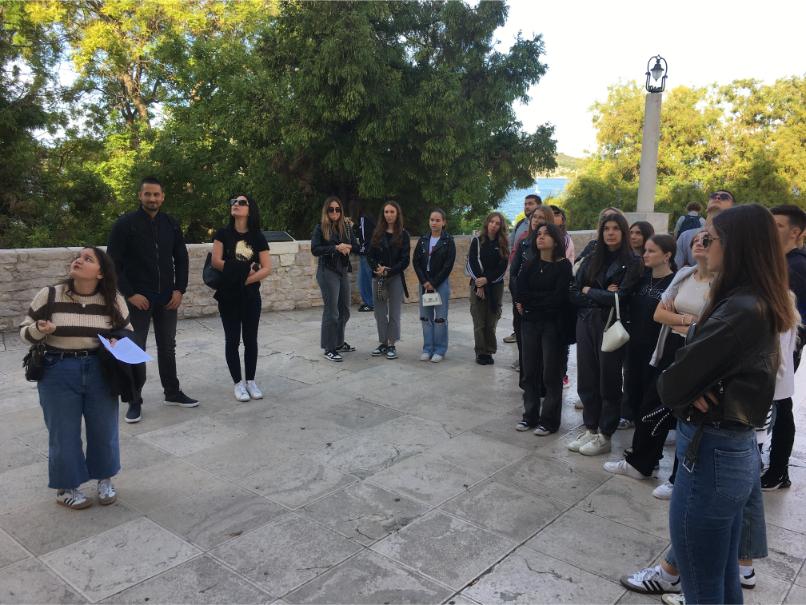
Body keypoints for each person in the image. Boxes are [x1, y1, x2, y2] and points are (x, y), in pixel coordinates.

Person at [657, 204, 796, 604]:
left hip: (711, 452)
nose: (703, 243)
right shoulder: (753, 300)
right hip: (728, 449)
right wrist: (692, 381)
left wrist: (687, 383)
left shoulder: (740, 310)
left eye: (711, 238)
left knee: (703, 586)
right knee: (719, 579)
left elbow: (670, 383)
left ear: (735, 246)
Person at [19, 247, 132, 509]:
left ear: (101, 273)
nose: (79, 260)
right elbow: (24, 333)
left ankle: (105, 480)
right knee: (63, 433)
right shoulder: (50, 294)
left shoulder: (113, 299)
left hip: (100, 370)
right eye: (78, 257)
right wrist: (38, 329)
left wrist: (117, 341)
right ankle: (66, 487)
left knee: (104, 429)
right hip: (57, 370)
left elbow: (127, 331)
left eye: (87, 259)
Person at [608, 231, 712, 494]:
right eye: (696, 240)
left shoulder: (723, 283)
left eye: (707, 240)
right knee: (652, 406)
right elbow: (659, 313)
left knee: (684, 414)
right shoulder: (685, 274)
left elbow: (712, 325)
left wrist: (680, 320)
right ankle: (641, 463)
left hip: (698, 352)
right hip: (669, 347)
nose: (699, 243)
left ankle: (679, 480)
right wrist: (688, 321)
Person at [107, 176, 197, 423]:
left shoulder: (171, 224)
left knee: (168, 347)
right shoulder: (125, 224)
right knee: (135, 349)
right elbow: (113, 263)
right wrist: (130, 293)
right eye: (147, 194)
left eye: (156, 194)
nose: (152, 198)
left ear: (163, 197)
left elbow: (181, 258)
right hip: (138, 299)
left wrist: (179, 290)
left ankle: (172, 392)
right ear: (140, 196)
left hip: (167, 298)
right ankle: (134, 400)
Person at [568, 213, 642, 455]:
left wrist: (590, 290)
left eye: (615, 228)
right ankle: (590, 427)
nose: (610, 233)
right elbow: (573, 291)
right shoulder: (592, 256)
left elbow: (621, 297)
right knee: (587, 377)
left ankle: (605, 433)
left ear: (623, 232)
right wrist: (602, 294)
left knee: (608, 379)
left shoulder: (632, 261)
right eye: (606, 228)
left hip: (610, 324)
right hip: (586, 322)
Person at [211, 195, 272, 399]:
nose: (236, 204)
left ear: (250, 209)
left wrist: (243, 280)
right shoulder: (222, 234)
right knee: (232, 340)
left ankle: (251, 381)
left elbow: (266, 268)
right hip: (228, 296)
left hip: (250, 296)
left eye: (241, 202)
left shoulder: (258, 237)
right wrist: (246, 268)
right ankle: (238, 383)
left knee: (250, 340)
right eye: (234, 202)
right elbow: (216, 262)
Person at [514, 223, 573, 435]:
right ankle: (529, 416)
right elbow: (520, 292)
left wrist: (531, 302)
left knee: (551, 374)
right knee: (529, 372)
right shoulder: (529, 264)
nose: (540, 237)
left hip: (552, 325)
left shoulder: (563, 266)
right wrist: (535, 301)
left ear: (556, 241)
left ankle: (549, 421)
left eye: (546, 234)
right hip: (530, 323)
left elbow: (558, 299)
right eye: (538, 234)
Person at [763, 204, 806, 489]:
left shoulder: (796, 266)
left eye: (777, 225)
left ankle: (779, 470)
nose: (771, 230)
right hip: (774, 347)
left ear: (796, 232)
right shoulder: (780, 261)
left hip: (784, 349)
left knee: (780, 404)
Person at [617, 235, 676, 428]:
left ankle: (648, 420)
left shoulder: (675, 282)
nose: (645, 255)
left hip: (658, 344)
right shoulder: (641, 278)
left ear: (667, 255)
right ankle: (628, 414)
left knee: (652, 385)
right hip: (634, 340)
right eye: (645, 250)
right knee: (631, 378)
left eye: (651, 251)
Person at [312, 196, 359, 362]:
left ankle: (338, 343)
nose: (334, 212)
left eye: (337, 209)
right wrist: (335, 248)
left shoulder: (346, 227)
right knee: (331, 311)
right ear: (326, 211)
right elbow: (315, 249)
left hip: (342, 271)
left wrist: (348, 246)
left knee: (344, 310)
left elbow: (357, 247)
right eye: (331, 209)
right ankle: (329, 348)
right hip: (327, 271)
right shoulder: (320, 228)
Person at [510, 207, 555, 373]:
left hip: (543, 305)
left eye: (541, 217)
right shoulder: (524, 242)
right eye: (534, 217)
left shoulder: (555, 244)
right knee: (524, 342)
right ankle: (526, 375)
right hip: (521, 302)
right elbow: (514, 273)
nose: (536, 220)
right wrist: (518, 299)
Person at [368, 201, 410, 360]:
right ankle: (383, 343)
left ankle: (392, 344)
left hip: (395, 277)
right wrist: (377, 268)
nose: (389, 215)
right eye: (386, 212)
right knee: (379, 313)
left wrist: (389, 270)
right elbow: (370, 255)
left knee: (394, 312)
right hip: (378, 277)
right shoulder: (377, 233)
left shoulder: (404, 234)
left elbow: (405, 260)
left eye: (392, 212)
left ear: (397, 214)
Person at [413, 209, 456, 362]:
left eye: (438, 220)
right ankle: (427, 348)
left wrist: (434, 283)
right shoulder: (423, 240)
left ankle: (440, 349)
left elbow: (448, 265)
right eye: (432, 220)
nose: (434, 223)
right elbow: (416, 262)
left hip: (440, 284)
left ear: (443, 222)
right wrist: (424, 281)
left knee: (440, 319)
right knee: (425, 318)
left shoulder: (448, 241)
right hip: (425, 285)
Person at [467, 212, 509, 365]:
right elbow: (471, 262)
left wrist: (487, 280)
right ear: (487, 223)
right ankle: (480, 352)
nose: (494, 225)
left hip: (495, 287)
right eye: (491, 222)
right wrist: (479, 282)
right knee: (479, 321)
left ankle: (489, 351)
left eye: (497, 223)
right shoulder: (477, 241)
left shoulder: (503, 244)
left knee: (491, 321)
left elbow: (502, 268)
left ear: (500, 226)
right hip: (477, 285)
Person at [504, 194, 542, 344]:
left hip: (534, 285)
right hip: (517, 278)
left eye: (530, 203)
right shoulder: (520, 224)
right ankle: (517, 335)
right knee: (517, 312)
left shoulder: (545, 232)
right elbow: (511, 244)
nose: (527, 206)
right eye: (525, 204)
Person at [675, 190, 735, 268]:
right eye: (713, 196)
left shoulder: (737, 237)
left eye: (724, 197)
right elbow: (675, 269)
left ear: (733, 208)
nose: (717, 197)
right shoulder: (685, 236)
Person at [349, 199, 376, 313]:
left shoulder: (363, 219)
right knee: (364, 279)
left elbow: (365, 240)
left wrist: (359, 250)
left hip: (367, 254)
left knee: (364, 280)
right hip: (368, 253)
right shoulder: (366, 218)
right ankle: (369, 302)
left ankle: (370, 303)